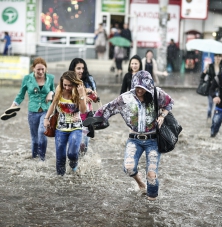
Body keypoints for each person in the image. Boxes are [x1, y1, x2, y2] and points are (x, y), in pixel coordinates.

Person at [85, 70, 174, 201]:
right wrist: (93, 121)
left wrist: (162, 115)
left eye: (142, 88)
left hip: (153, 140)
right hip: (134, 139)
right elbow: (108, 108)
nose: (139, 90)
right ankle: (140, 184)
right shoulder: (125, 98)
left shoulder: (157, 93)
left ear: (148, 86)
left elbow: (170, 103)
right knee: (129, 167)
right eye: (137, 87)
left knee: (151, 175)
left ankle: (152, 203)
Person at [9, 57, 55, 161]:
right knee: (34, 139)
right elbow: (21, 95)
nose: (41, 71)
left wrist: (51, 93)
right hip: (32, 112)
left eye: (43, 69)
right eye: (38, 69)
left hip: (46, 111)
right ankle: (34, 158)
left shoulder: (50, 78)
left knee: (42, 132)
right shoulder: (27, 79)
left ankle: (42, 160)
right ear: (33, 68)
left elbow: (54, 90)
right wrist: (13, 106)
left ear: (46, 69)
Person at [44, 71, 87, 176]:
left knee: (72, 154)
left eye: (70, 85)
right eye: (65, 85)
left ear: (75, 83)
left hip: (76, 128)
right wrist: (46, 118)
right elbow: (53, 104)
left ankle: (74, 164)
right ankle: (61, 183)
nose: (67, 87)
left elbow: (83, 111)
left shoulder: (79, 91)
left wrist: (81, 95)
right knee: (60, 159)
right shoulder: (59, 89)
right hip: (60, 129)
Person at [68, 58, 98, 155]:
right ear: (73, 69)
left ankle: (81, 167)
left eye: (83, 68)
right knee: (72, 146)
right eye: (78, 68)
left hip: (86, 116)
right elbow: (66, 97)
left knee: (83, 147)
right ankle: (72, 166)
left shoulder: (89, 79)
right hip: (71, 116)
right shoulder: (68, 82)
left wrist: (92, 94)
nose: (81, 71)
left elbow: (96, 97)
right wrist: (84, 94)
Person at [200, 53, 222, 120]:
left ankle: (215, 118)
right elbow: (202, 76)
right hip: (211, 88)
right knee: (210, 105)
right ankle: (209, 118)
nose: (218, 58)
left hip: (219, 89)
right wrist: (205, 70)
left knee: (217, 105)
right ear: (214, 57)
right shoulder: (210, 66)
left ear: (221, 58)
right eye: (217, 57)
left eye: (219, 57)